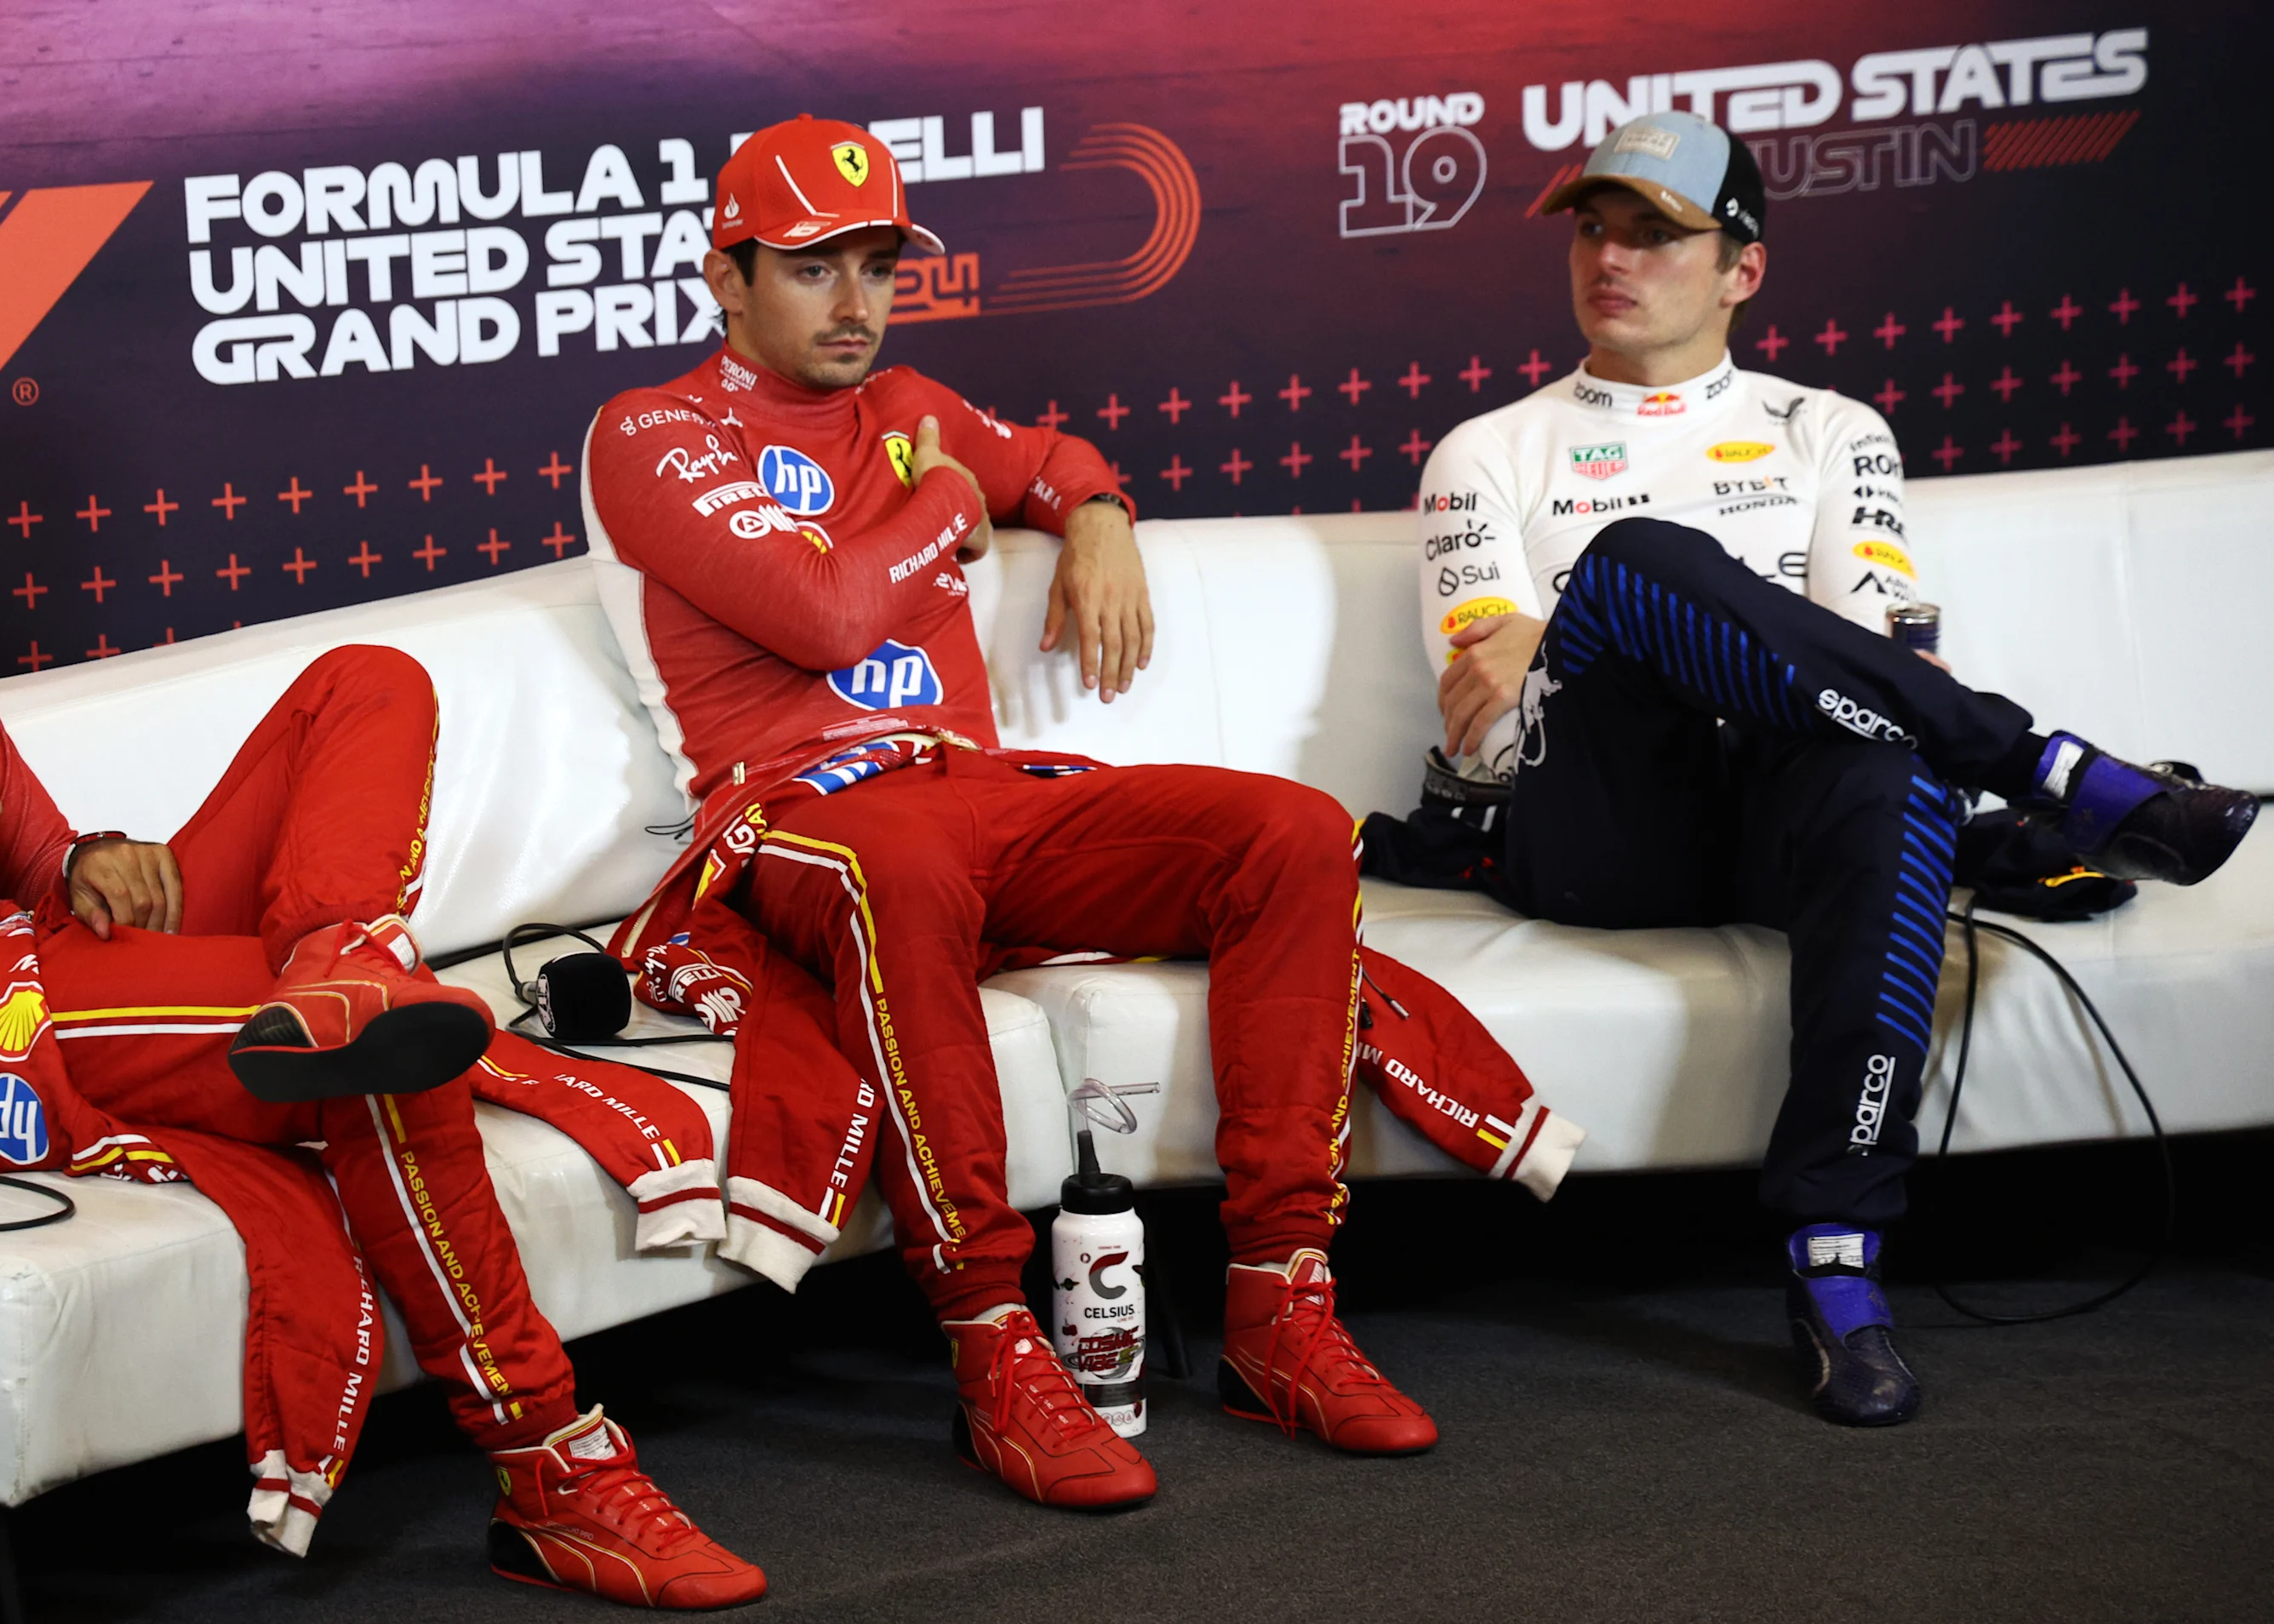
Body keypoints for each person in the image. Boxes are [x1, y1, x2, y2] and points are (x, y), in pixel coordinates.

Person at [0, 273, 763, 1608]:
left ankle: (343, 955)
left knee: (370, 684)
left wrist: (94, 860)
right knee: (383, 1050)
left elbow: (37, 859)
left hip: (29, 953)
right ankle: (552, 1470)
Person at [583, 116, 1577, 1512]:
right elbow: (822, 616)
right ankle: (993, 1340)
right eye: (814, 267)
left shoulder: (914, 402)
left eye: (879, 264)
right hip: (797, 821)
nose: (858, 300)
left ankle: (1278, 1308)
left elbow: (1049, 458)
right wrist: (944, 503)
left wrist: (1097, 513)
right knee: (911, 859)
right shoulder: (650, 430)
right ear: (725, 277)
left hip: (976, 797)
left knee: (1287, 833)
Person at [1413, 112, 2257, 1427]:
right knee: (1640, 560)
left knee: (1895, 772)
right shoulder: (1489, 450)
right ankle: (2052, 767)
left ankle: (1837, 1260)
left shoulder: (1831, 431)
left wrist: (1575, 626)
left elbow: (1875, 658)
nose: (1612, 259)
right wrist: (1620, 618)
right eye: (1594, 228)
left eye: (1657, 233)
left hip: (1787, 801)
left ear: (1744, 267)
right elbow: (1491, 716)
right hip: (1595, 832)